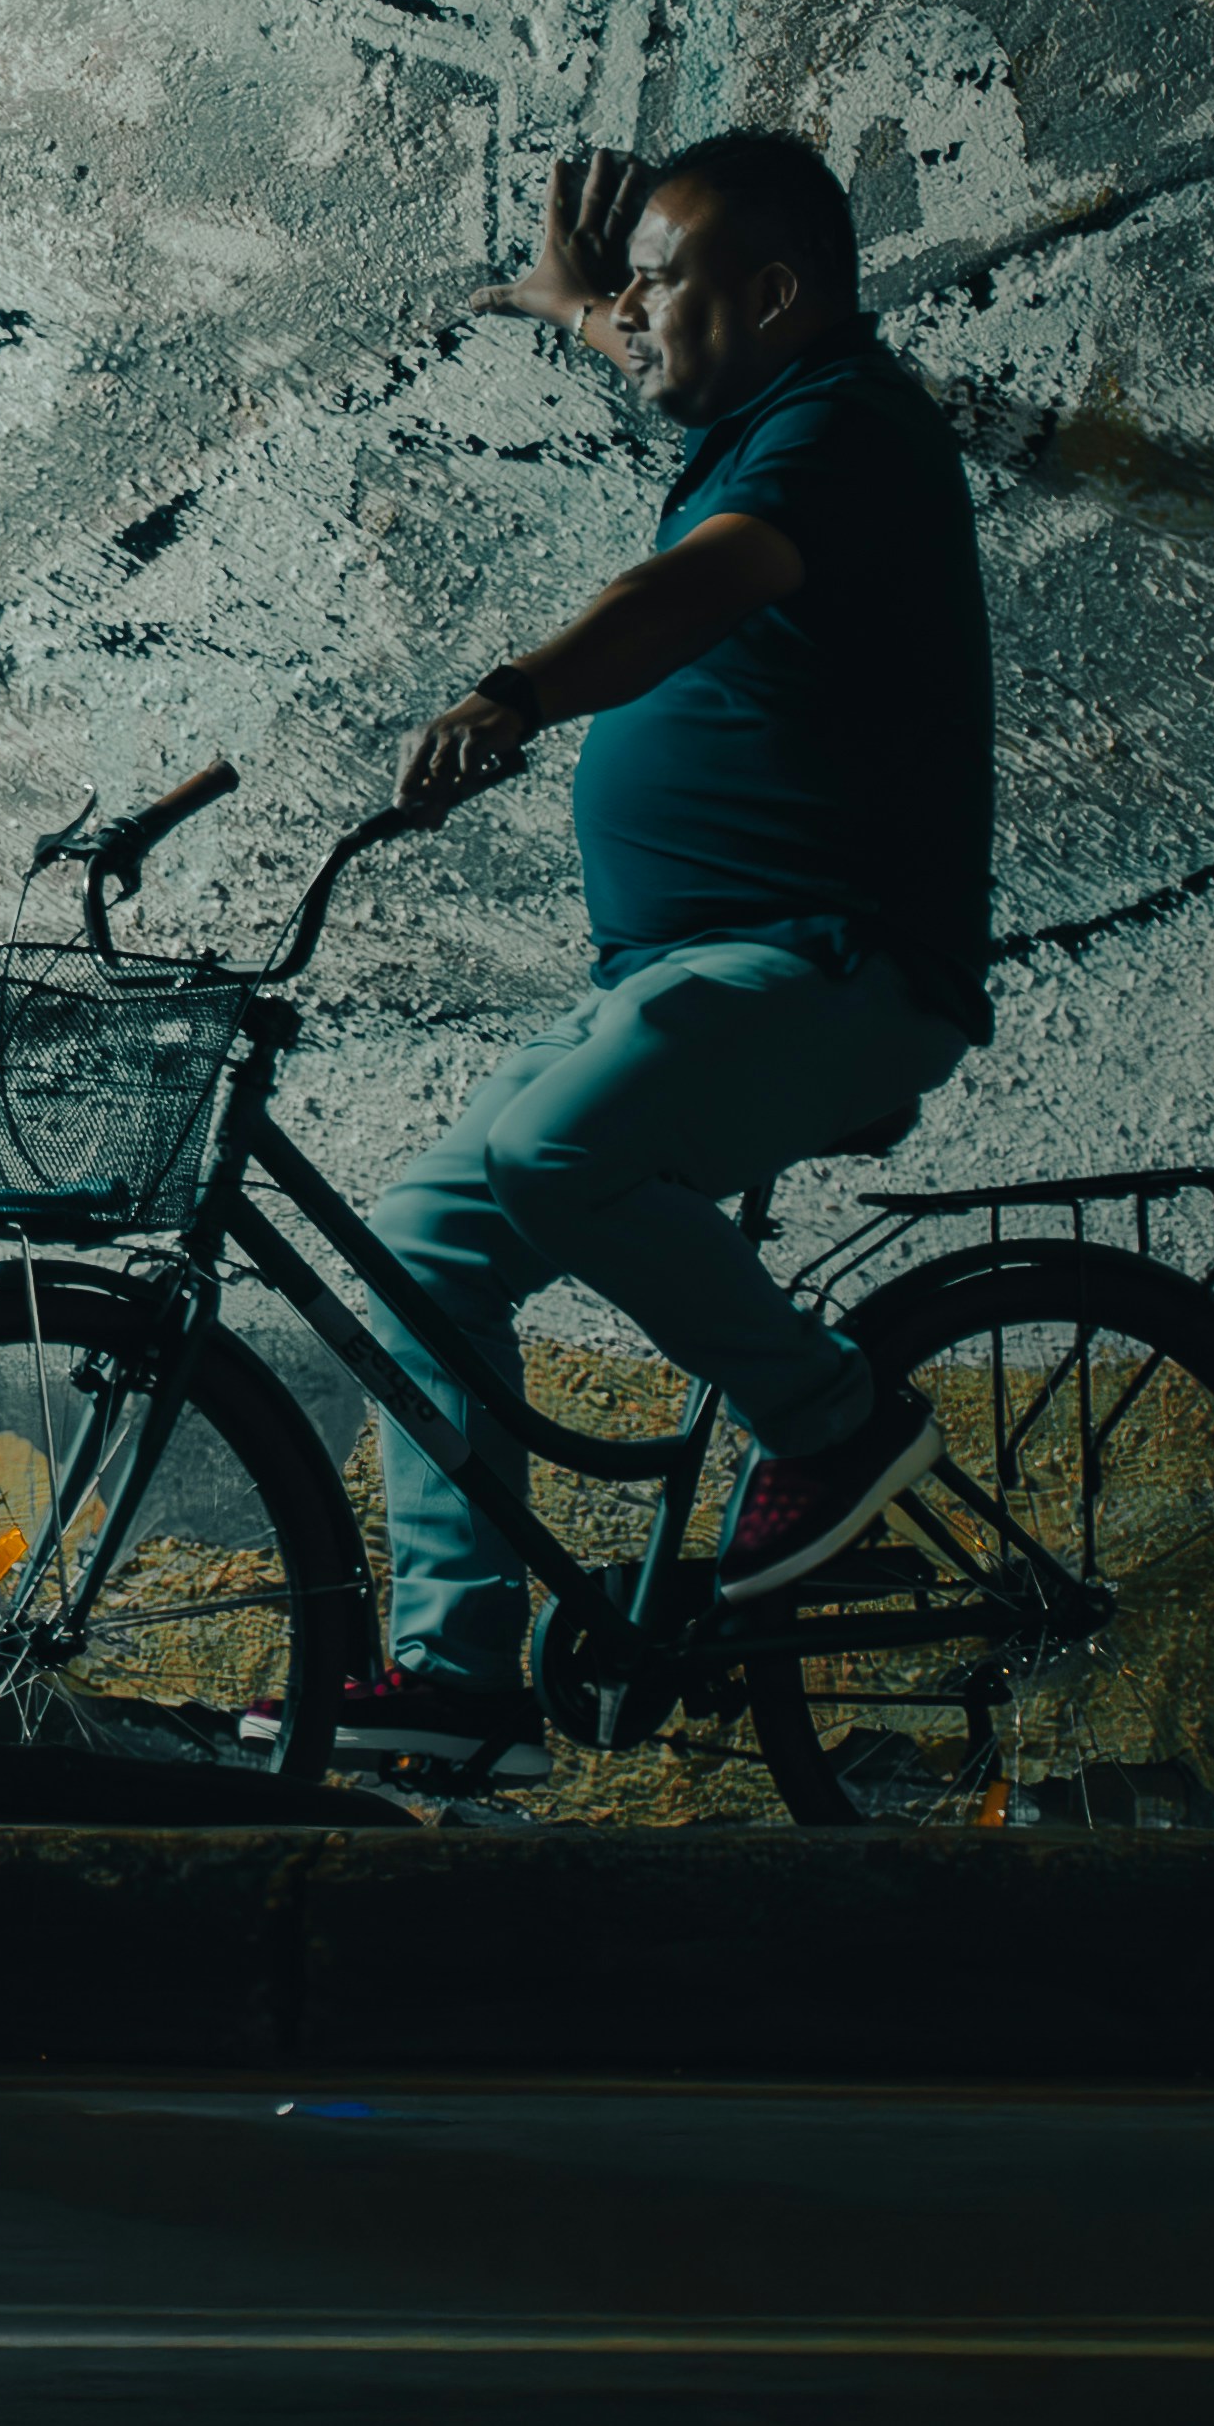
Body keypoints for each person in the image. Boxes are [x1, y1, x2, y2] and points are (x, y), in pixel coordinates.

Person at [259, 130, 998, 1783]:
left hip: (830, 968)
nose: (640, 315)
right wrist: (578, 308)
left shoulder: (835, 432)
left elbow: (686, 589)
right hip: (691, 983)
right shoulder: (763, 404)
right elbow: (662, 346)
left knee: (544, 1154)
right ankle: (460, 1683)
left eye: (665, 284)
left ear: (776, 295)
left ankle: (836, 1422)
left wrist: (514, 693)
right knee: (426, 1239)